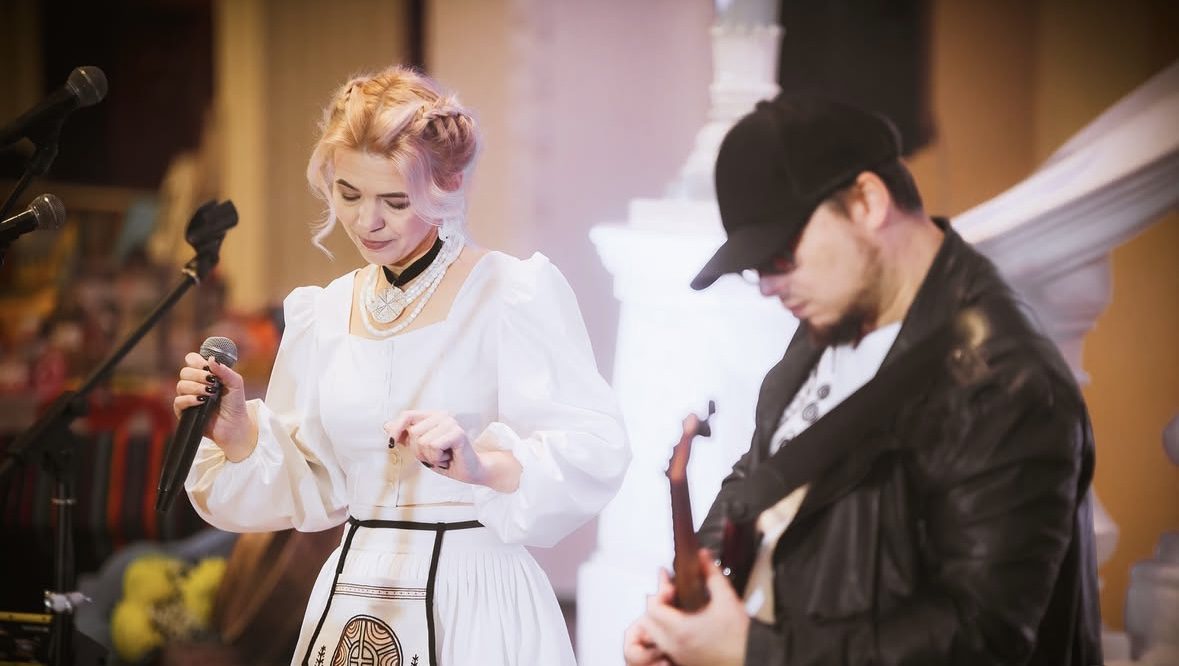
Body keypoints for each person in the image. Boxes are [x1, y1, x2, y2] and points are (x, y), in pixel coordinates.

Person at [172, 65, 630, 666]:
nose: (367, 222)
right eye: (349, 195)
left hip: (475, 599)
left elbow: (592, 449)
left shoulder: (511, 294)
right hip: (355, 598)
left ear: (448, 186)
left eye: (395, 201)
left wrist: (480, 464)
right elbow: (314, 483)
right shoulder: (325, 312)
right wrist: (237, 436)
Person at [623, 95, 1102, 665]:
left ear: (868, 202)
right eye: (756, 269)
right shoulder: (835, 312)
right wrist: (692, 609)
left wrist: (753, 653)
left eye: (781, 256)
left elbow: (979, 640)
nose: (769, 287)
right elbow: (765, 472)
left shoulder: (1005, 384)